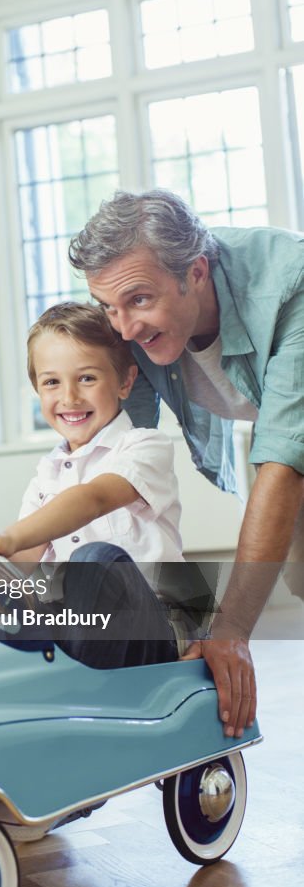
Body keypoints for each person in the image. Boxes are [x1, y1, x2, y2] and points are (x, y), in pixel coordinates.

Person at [68, 187, 304, 738]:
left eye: (140, 302)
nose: (123, 329)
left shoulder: (292, 284)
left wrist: (230, 631)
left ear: (196, 272)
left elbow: (284, 462)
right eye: (108, 306)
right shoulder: (127, 308)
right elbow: (115, 463)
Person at [0, 301, 204, 670]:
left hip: (153, 630)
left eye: (86, 378)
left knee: (94, 562)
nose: (69, 397)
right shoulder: (45, 476)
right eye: (52, 382)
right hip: (78, 630)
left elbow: (94, 498)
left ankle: (62, 678)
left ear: (125, 382)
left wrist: (7, 536)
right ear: (38, 390)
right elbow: (22, 561)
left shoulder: (144, 446)